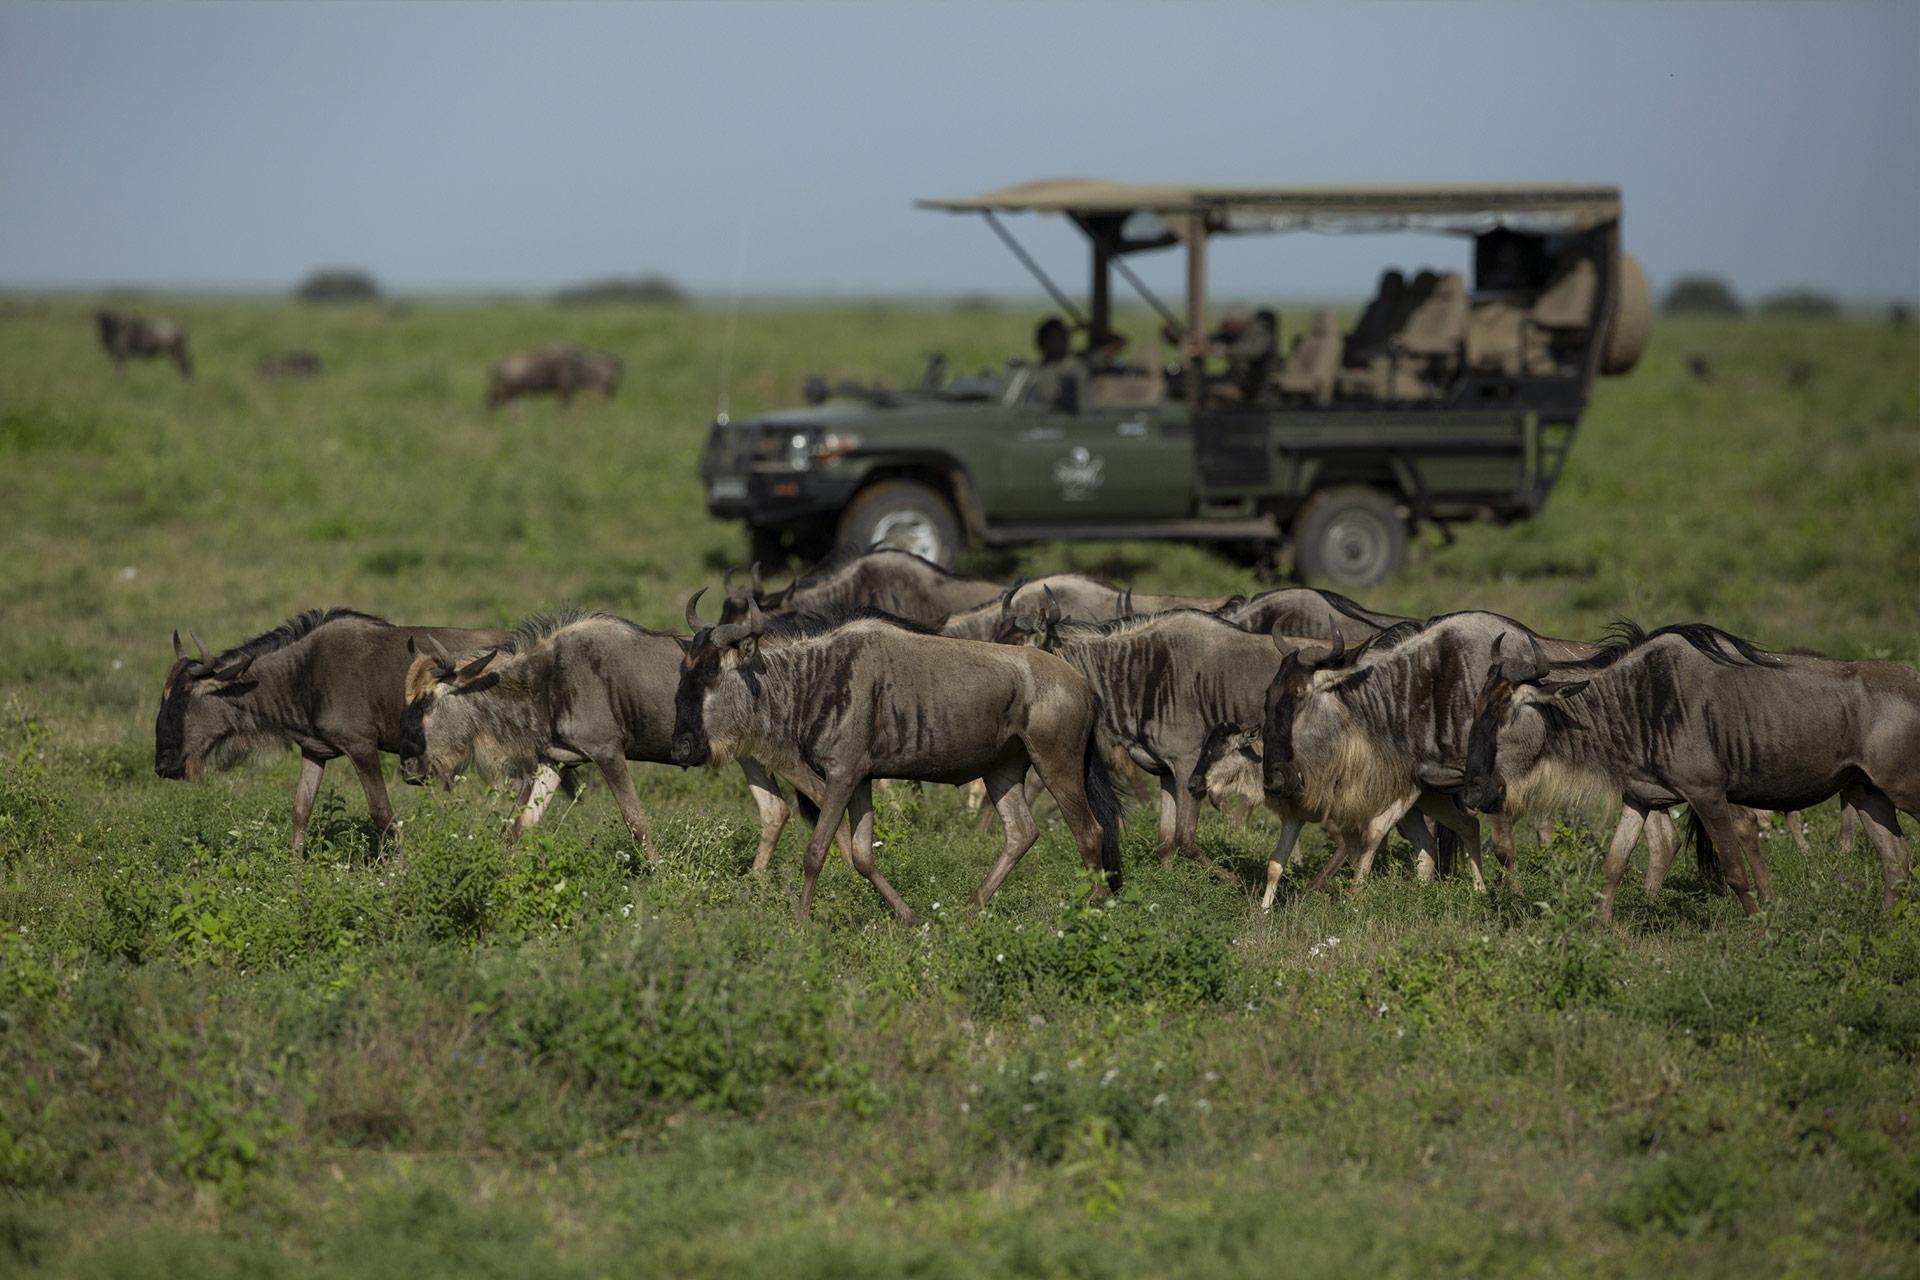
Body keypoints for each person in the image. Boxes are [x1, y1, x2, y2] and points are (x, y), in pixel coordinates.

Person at [1025, 316, 1085, 411]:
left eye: (1063, 337)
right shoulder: (1031, 370)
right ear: (1042, 340)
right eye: (1055, 337)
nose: (1062, 342)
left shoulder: (1073, 367)